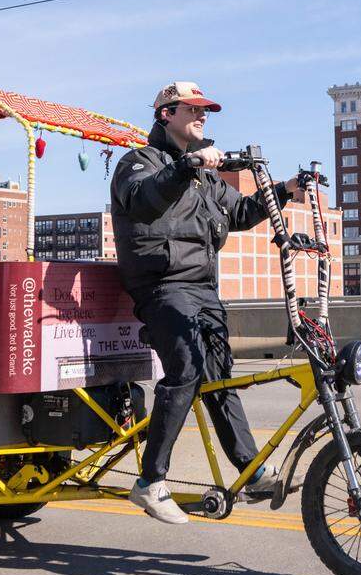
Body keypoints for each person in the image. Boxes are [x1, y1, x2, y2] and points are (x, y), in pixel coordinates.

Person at [109, 81, 301, 524]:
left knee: (220, 377)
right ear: (165, 114)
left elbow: (242, 212)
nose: (202, 116)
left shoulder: (204, 177)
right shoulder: (137, 163)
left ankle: (250, 471)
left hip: (203, 290)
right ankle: (150, 481)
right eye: (193, 109)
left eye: (206, 110)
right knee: (187, 369)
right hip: (162, 287)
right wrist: (187, 165)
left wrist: (288, 188)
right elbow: (144, 200)